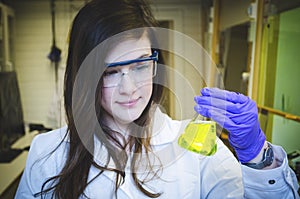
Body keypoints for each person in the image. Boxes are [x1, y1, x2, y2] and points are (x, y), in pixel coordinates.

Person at [15, 0, 299, 198]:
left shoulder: (196, 146)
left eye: (140, 64)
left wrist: (257, 157)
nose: (129, 88)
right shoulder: (47, 152)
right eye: (110, 71)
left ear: (155, 63)